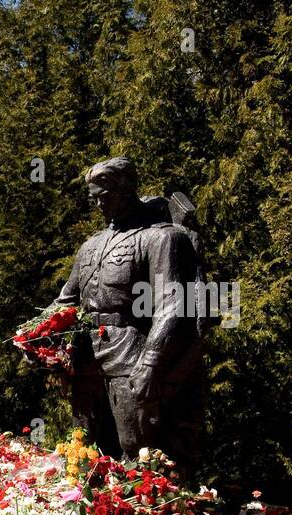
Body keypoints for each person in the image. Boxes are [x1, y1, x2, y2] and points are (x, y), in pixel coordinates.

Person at [51, 156, 205, 474]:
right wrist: (37, 340)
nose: (97, 205)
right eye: (92, 198)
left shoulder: (160, 238)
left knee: (138, 451)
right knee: (84, 449)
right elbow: (65, 302)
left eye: (103, 197)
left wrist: (151, 363)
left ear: (126, 189)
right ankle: (89, 514)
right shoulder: (90, 246)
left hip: (129, 353)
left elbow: (172, 306)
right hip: (86, 356)